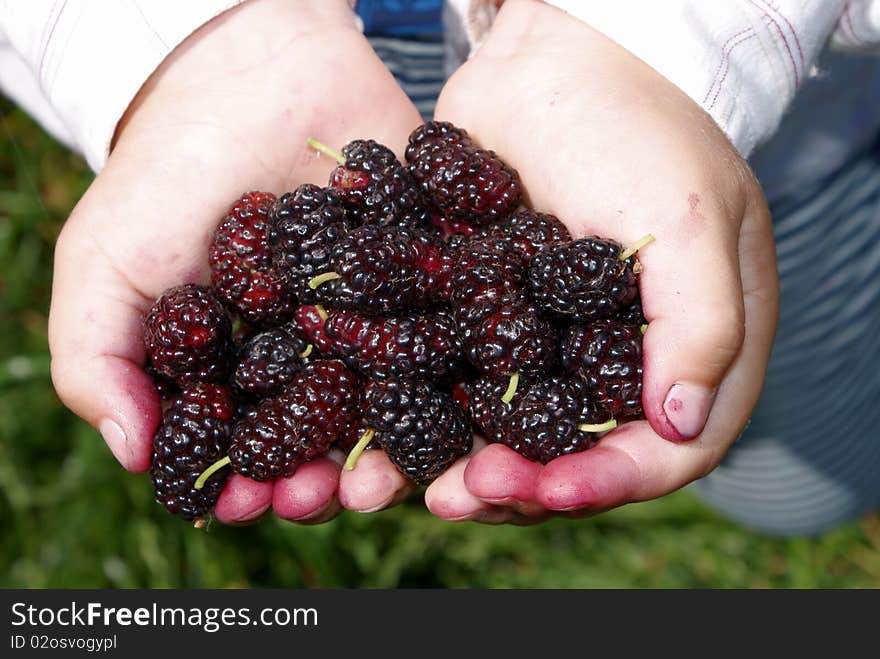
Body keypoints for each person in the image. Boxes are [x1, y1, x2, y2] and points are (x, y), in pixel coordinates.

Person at [1, 0, 876, 535]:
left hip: (726, 111)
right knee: (786, 473)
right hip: (279, 44)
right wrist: (188, 47)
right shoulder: (355, 292)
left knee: (795, 461)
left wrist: (651, 45)